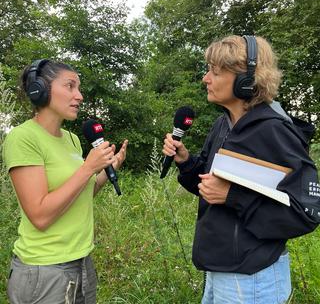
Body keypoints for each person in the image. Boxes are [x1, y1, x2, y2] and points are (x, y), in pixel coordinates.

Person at [162, 35, 320, 303]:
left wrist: (233, 197)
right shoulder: (223, 125)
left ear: (247, 79)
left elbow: (307, 212)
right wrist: (186, 161)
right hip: (220, 270)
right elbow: (209, 188)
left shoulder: (274, 130)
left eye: (214, 71)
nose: (205, 79)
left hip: (252, 279)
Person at [3, 59, 128, 303]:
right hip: (45, 270)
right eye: (70, 86)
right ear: (40, 90)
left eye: (79, 88)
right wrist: (88, 168)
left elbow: (80, 194)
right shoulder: (23, 137)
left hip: (81, 262)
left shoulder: (71, 139)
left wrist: (103, 171)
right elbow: (40, 215)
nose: (79, 96)